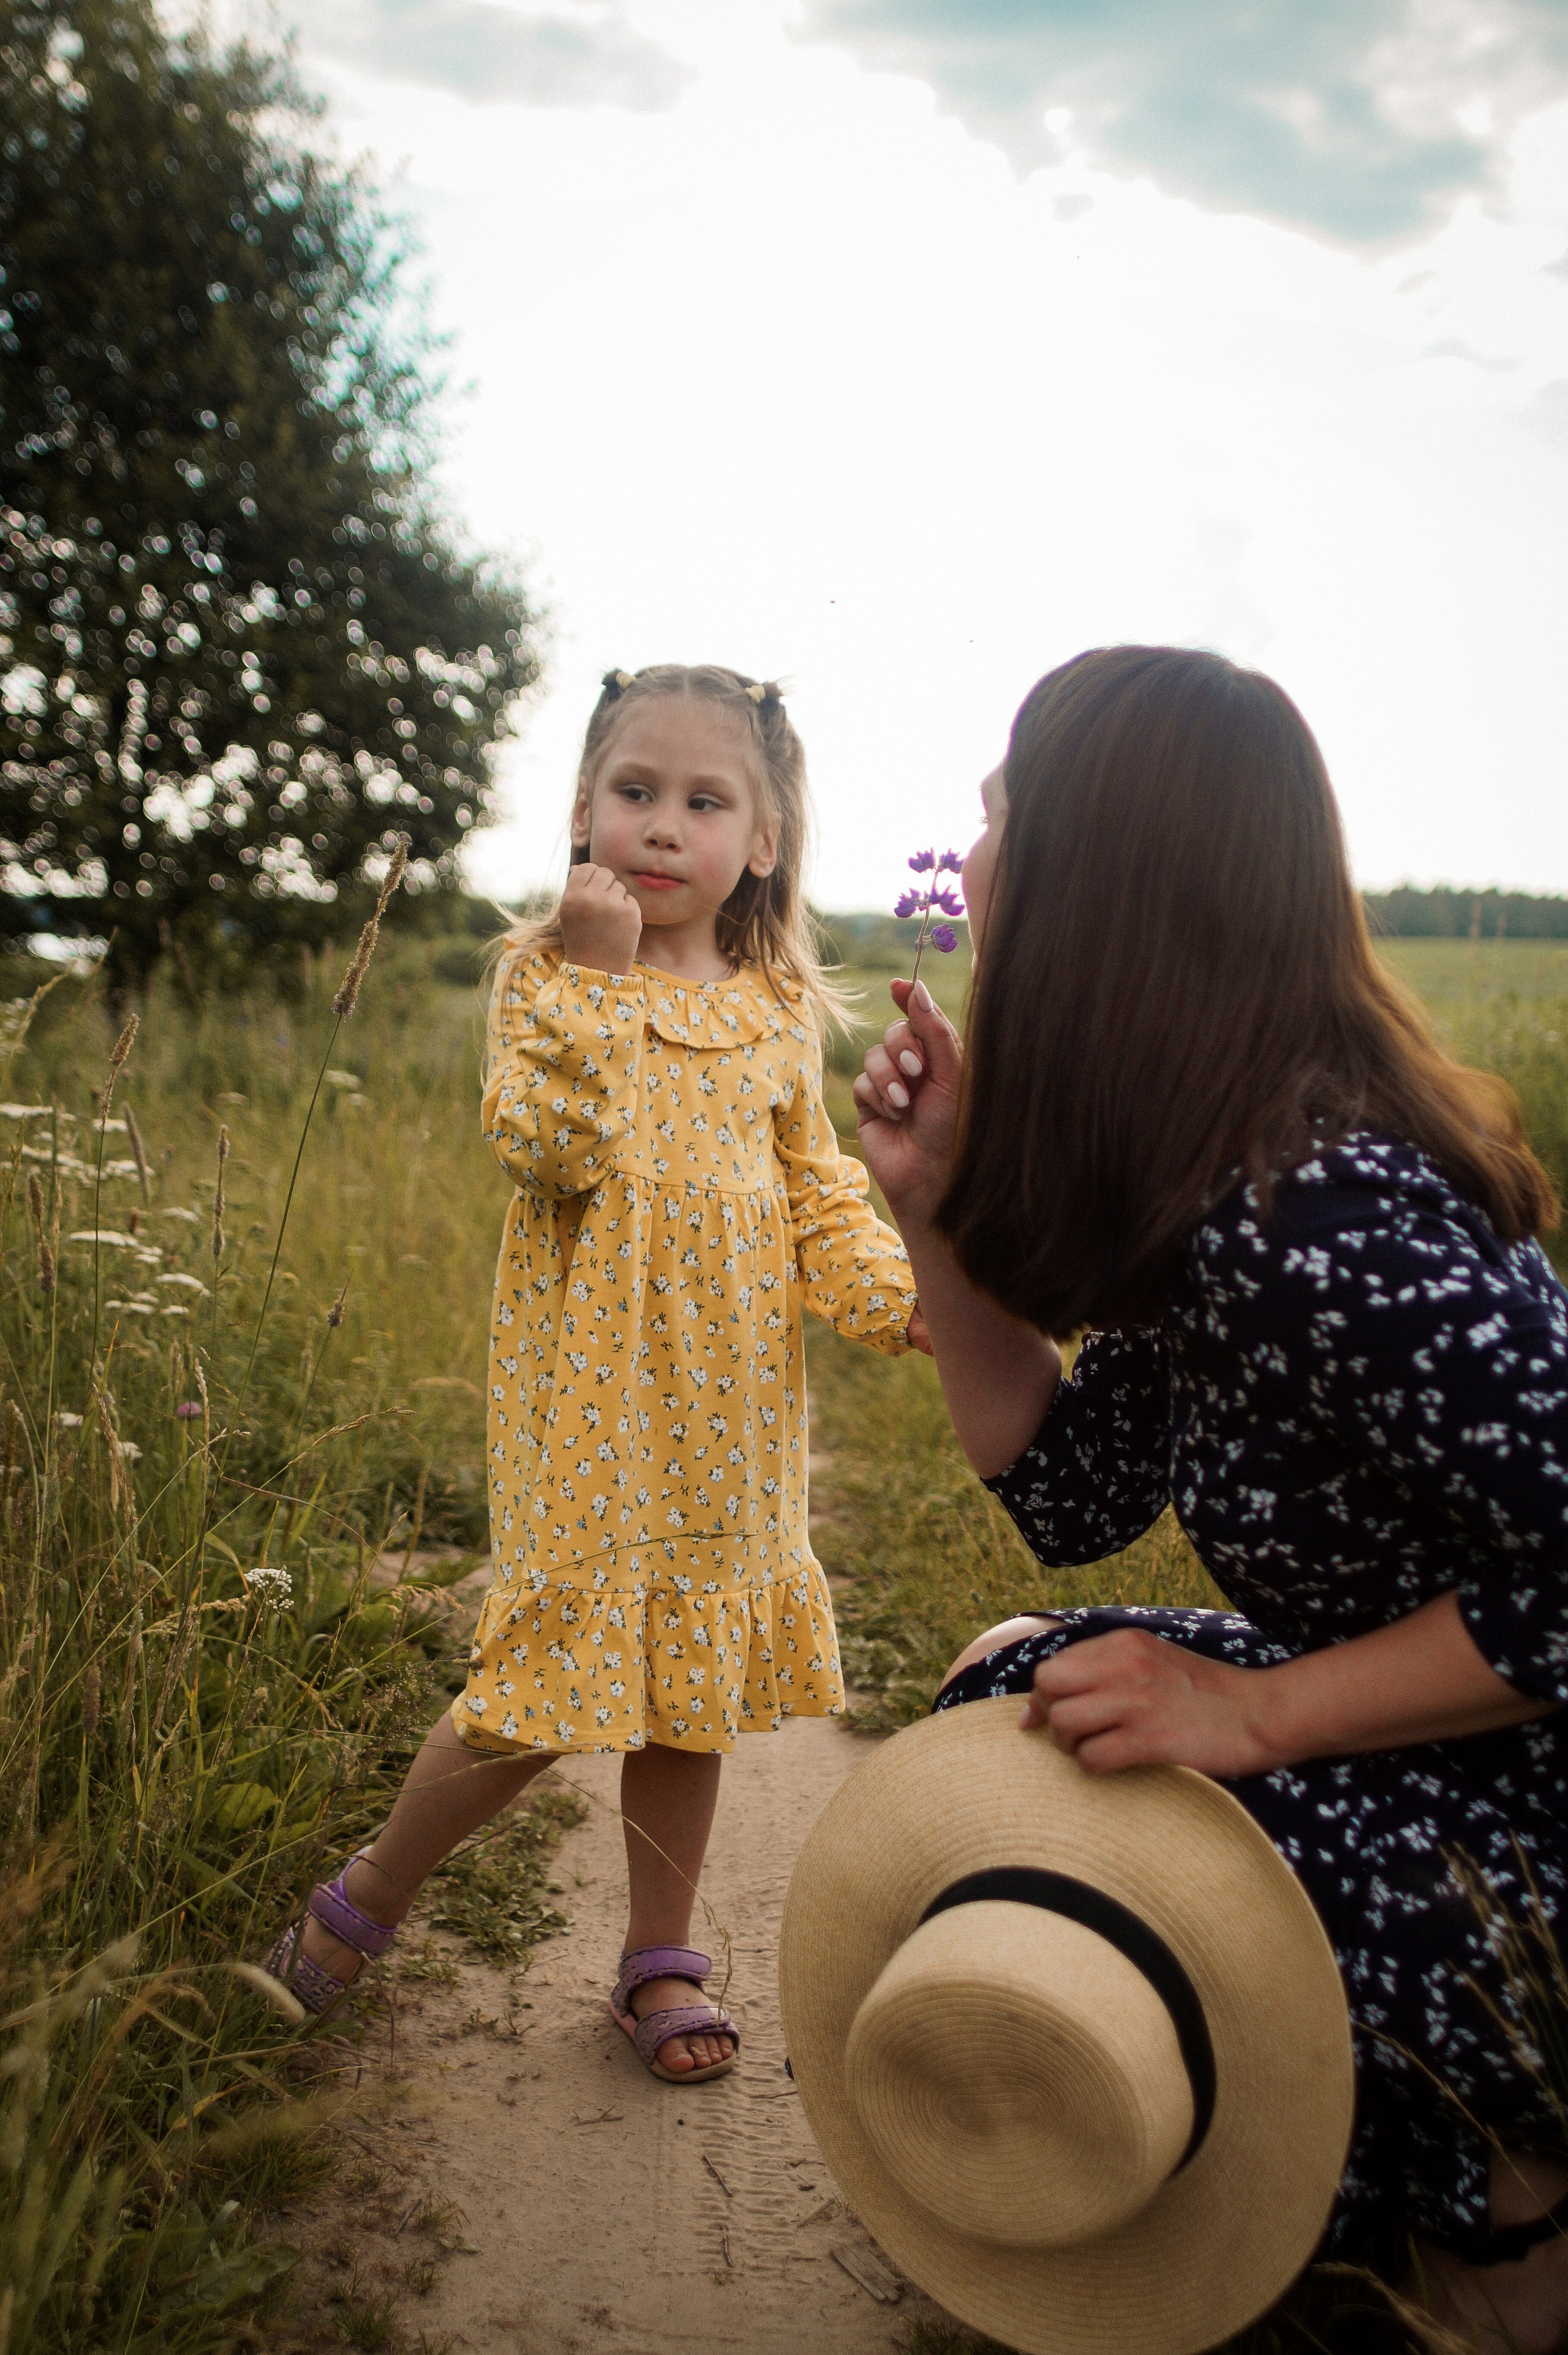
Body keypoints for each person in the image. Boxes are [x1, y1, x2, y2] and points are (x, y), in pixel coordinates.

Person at [851, 645, 1568, 2354]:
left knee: (1100, 1789)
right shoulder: (1219, 1184)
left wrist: (1260, 1710)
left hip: (1529, 1800)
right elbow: (1073, 1487)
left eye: (1001, 811)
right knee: (1011, 1683)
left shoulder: (1314, 1218)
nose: (975, 854)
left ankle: (1515, 2193)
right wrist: (934, 1212)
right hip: (1451, 1741)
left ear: (1101, 880)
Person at [265, 662, 922, 2081]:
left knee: (690, 1690)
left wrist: (890, 1298)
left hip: (731, 1412)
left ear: (762, 841)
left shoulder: (768, 1009)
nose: (663, 827)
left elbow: (812, 1185)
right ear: (582, 814)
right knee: (535, 1694)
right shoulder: (547, 980)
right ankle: (371, 1892)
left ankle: (655, 1957)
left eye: (702, 801)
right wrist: (592, 984)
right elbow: (544, 1149)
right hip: (592, 1403)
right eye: (635, 793)